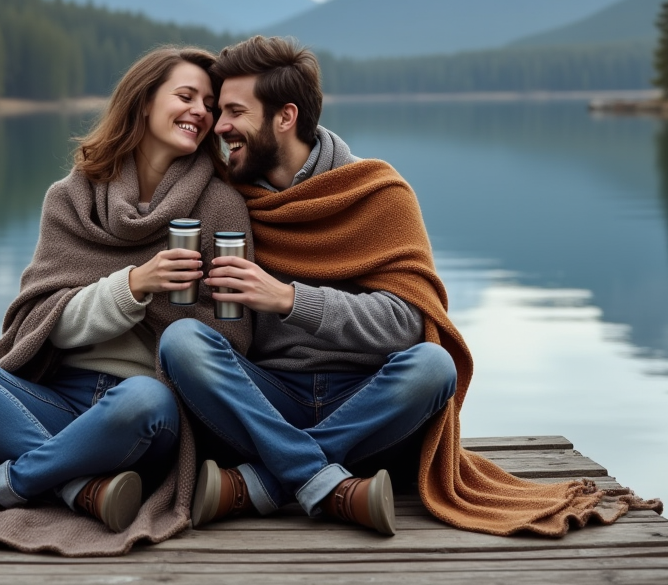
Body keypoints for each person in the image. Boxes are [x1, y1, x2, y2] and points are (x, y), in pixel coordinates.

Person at [0, 46, 253, 534]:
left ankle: (9, 482)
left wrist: (170, 309)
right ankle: (79, 489)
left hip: (148, 411)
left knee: (142, 399)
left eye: (210, 103)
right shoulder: (71, 197)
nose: (200, 111)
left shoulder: (222, 207)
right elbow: (41, 322)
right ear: (142, 101)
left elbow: (233, 340)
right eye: (186, 95)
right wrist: (135, 286)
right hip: (57, 399)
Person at [158, 36, 458, 536]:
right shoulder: (224, 199)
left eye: (234, 111)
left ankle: (263, 483)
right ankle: (325, 480)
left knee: (433, 365)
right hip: (266, 399)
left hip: (367, 401)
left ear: (285, 116)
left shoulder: (378, 193)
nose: (220, 126)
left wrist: (290, 299)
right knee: (182, 345)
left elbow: (408, 324)